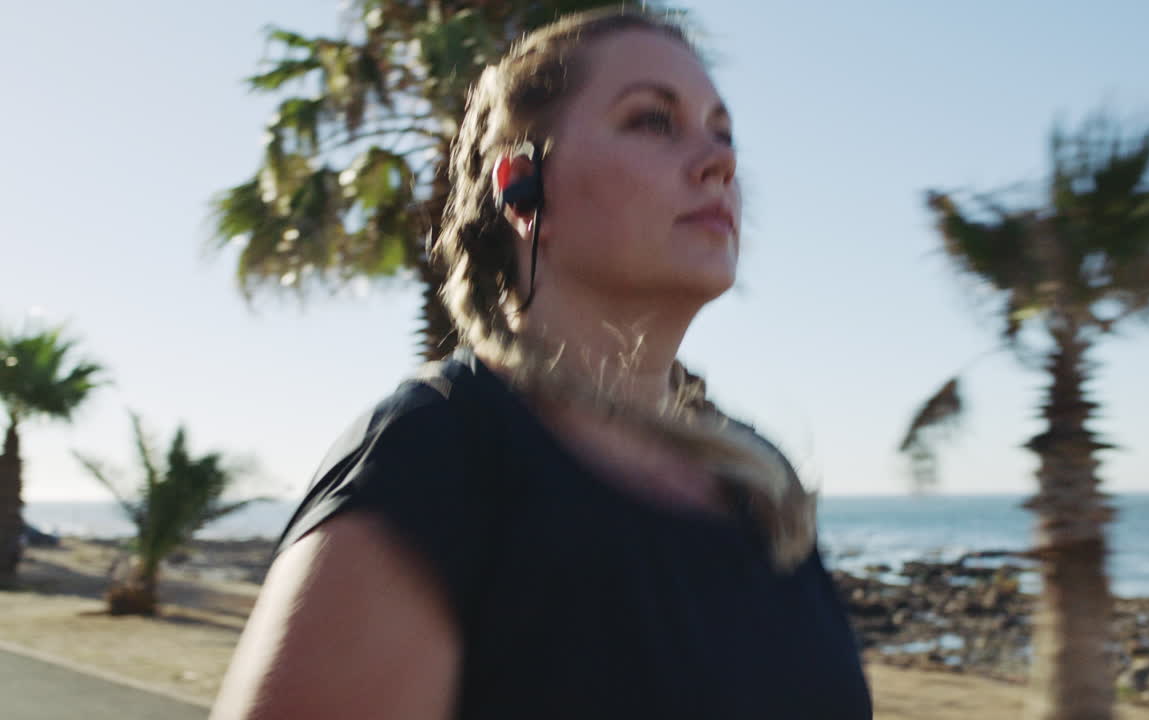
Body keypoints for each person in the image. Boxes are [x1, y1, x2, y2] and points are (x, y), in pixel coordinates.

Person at [210, 7, 872, 719]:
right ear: (524, 191)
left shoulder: (759, 480)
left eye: (724, 132)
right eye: (654, 120)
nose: (722, 162)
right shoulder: (437, 458)